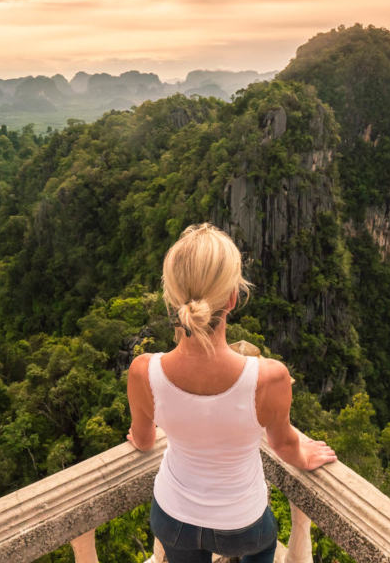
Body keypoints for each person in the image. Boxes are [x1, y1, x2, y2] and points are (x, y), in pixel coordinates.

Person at [126, 223, 336, 563]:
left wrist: (137, 438)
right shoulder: (269, 377)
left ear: (172, 297)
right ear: (233, 298)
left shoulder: (143, 371)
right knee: (263, 547)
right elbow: (283, 445)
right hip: (242, 522)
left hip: (173, 516)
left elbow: (145, 439)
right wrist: (304, 455)